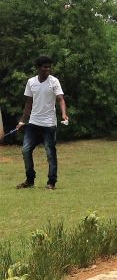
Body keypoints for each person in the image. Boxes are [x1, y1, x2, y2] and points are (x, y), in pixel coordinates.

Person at [15, 56, 68, 190]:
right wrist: (22, 121)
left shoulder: (54, 81)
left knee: (50, 153)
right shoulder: (31, 82)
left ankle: (51, 182)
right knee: (25, 151)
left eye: (49, 67)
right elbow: (28, 103)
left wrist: (63, 114)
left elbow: (60, 99)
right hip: (33, 123)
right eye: (45, 67)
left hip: (49, 125)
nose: (47, 69)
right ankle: (30, 180)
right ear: (38, 68)